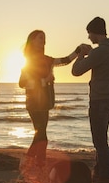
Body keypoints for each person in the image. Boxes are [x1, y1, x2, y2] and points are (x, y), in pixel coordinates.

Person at [72, 17, 109, 183]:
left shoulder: (100, 51)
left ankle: (103, 178)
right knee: (102, 139)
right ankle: (99, 172)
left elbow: (76, 71)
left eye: (89, 33)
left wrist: (81, 55)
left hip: (99, 99)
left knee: (100, 141)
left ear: (94, 32)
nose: (88, 38)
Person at [19, 30, 79, 168]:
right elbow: (22, 83)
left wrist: (78, 51)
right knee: (41, 133)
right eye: (40, 38)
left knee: (41, 133)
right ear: (32, 41)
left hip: (45, 101)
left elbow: (65, 60)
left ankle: (37, 161)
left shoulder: (47, 60)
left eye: (44, 38)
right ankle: (31, 160)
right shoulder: (29, 61)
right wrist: (44, 80)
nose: (43, 41)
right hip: (33, 102)